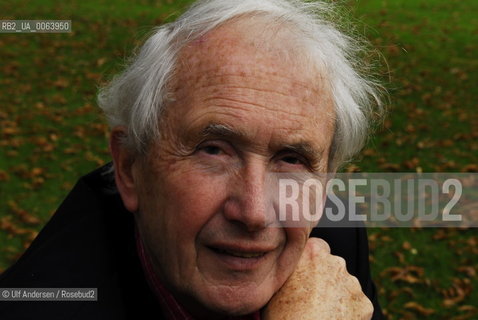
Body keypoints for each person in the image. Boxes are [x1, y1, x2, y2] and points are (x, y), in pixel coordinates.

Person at [0, 0, 384, 319]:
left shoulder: (334, 239)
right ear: (130, 168)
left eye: (292, 159)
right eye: (213, 150)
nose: (253, 212)